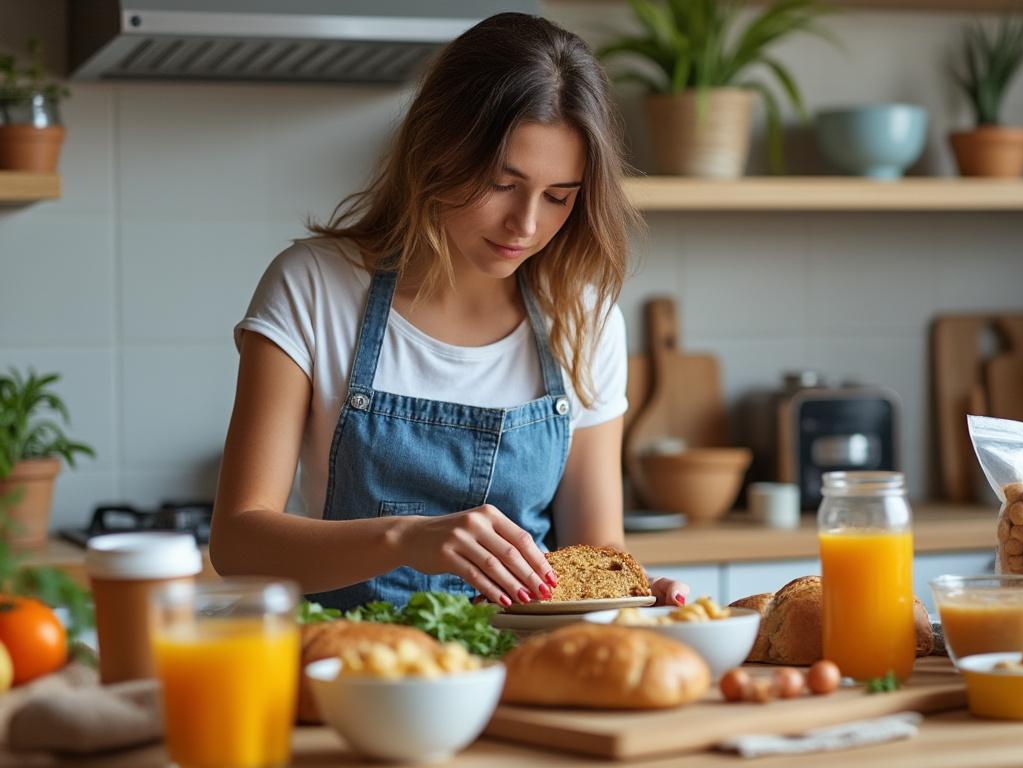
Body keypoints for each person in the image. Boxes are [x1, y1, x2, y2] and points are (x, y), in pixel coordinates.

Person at [210, 13, 687, 611]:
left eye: (559, 197)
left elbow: (595, 549)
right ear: (437, 150)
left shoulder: (586, 318)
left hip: (523, 675)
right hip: (351, 672)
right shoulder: (314, 287)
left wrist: (636, 591)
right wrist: (407, 538)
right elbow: (238, 542)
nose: (527, 224)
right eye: (500, 184)